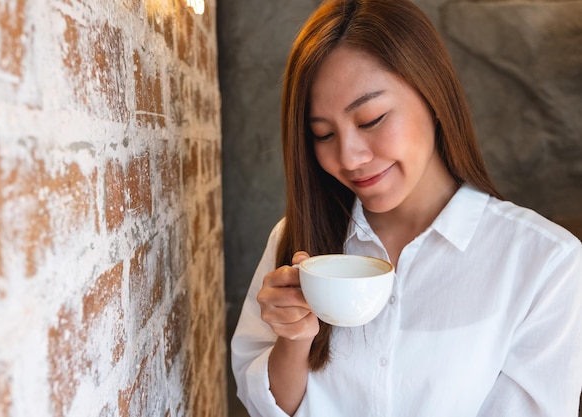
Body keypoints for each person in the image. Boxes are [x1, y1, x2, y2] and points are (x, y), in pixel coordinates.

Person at [230, 0, 582, 416]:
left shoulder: (544, 262)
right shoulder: (297, 240)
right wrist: (294, 337)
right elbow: (265, 408)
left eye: (371, 119)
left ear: (433, 97)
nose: (349, 157)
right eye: (323, 134)